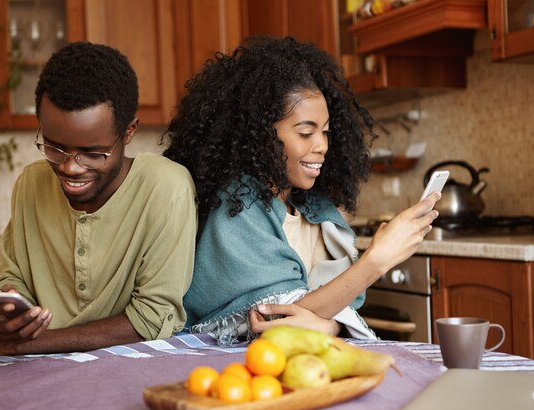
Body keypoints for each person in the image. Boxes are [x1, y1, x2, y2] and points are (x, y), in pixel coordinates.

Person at [162, 36, 439, 344]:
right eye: (306, 132)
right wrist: (377, 261)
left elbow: (320, 311)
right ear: (260, 135)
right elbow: (273, 320)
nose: (321, 146)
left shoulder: (316, 209)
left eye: (325, 132)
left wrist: (330, 327)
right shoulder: (238, 205)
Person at [0, 42, 197, 358]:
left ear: (129, 131)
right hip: (36, 371)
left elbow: (153, 318)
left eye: (92, 153)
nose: (69, 167)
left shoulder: (166, 188)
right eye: (54, 147)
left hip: (129, 366)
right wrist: (7, 309)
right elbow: (11, 277)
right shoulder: (31, 184)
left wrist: (25, 344)